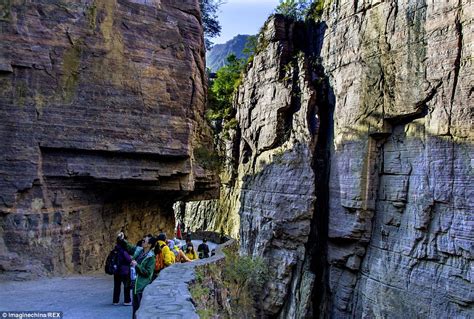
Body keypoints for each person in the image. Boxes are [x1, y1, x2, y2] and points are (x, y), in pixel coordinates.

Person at [118, 233, 157, 319]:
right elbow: (130, 247)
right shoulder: (140, 251)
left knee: (140, 311)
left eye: (144, 241)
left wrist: (137, 266)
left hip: (141, 287)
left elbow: (148, 273)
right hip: (135, 285)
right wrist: (122, 239)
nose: (142, 242)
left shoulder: (151, 258)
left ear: (149, 245)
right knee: (135, 310)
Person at [112, 238, 132, 306]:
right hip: (124, 271)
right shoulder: (123, 251)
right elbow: (129, 260)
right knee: (126, 286)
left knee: (117, 286)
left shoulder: (114, 250)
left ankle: (115, 301)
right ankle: (127, 301)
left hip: (116, 270)